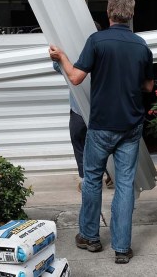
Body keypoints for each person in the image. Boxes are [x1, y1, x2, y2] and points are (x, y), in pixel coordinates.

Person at [48, 0, 154, 264]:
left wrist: (60, 57)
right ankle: (121, 248)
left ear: (109, 13)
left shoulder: (97, 41)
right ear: (131, 15)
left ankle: (90, 237)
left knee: (93, 179)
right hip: (130, 126)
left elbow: (74, 76)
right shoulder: (142, 46)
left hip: (101, 126)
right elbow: (149, 87)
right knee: (125, 184)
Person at [53, 21, 113, 192]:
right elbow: (59, 68)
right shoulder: (75, 51)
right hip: (79, 106)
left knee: (103, 141)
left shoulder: (104, 51)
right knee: (79, 139)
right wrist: (59, 57)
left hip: (100, 106)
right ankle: (88, 178)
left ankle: (110, 174)